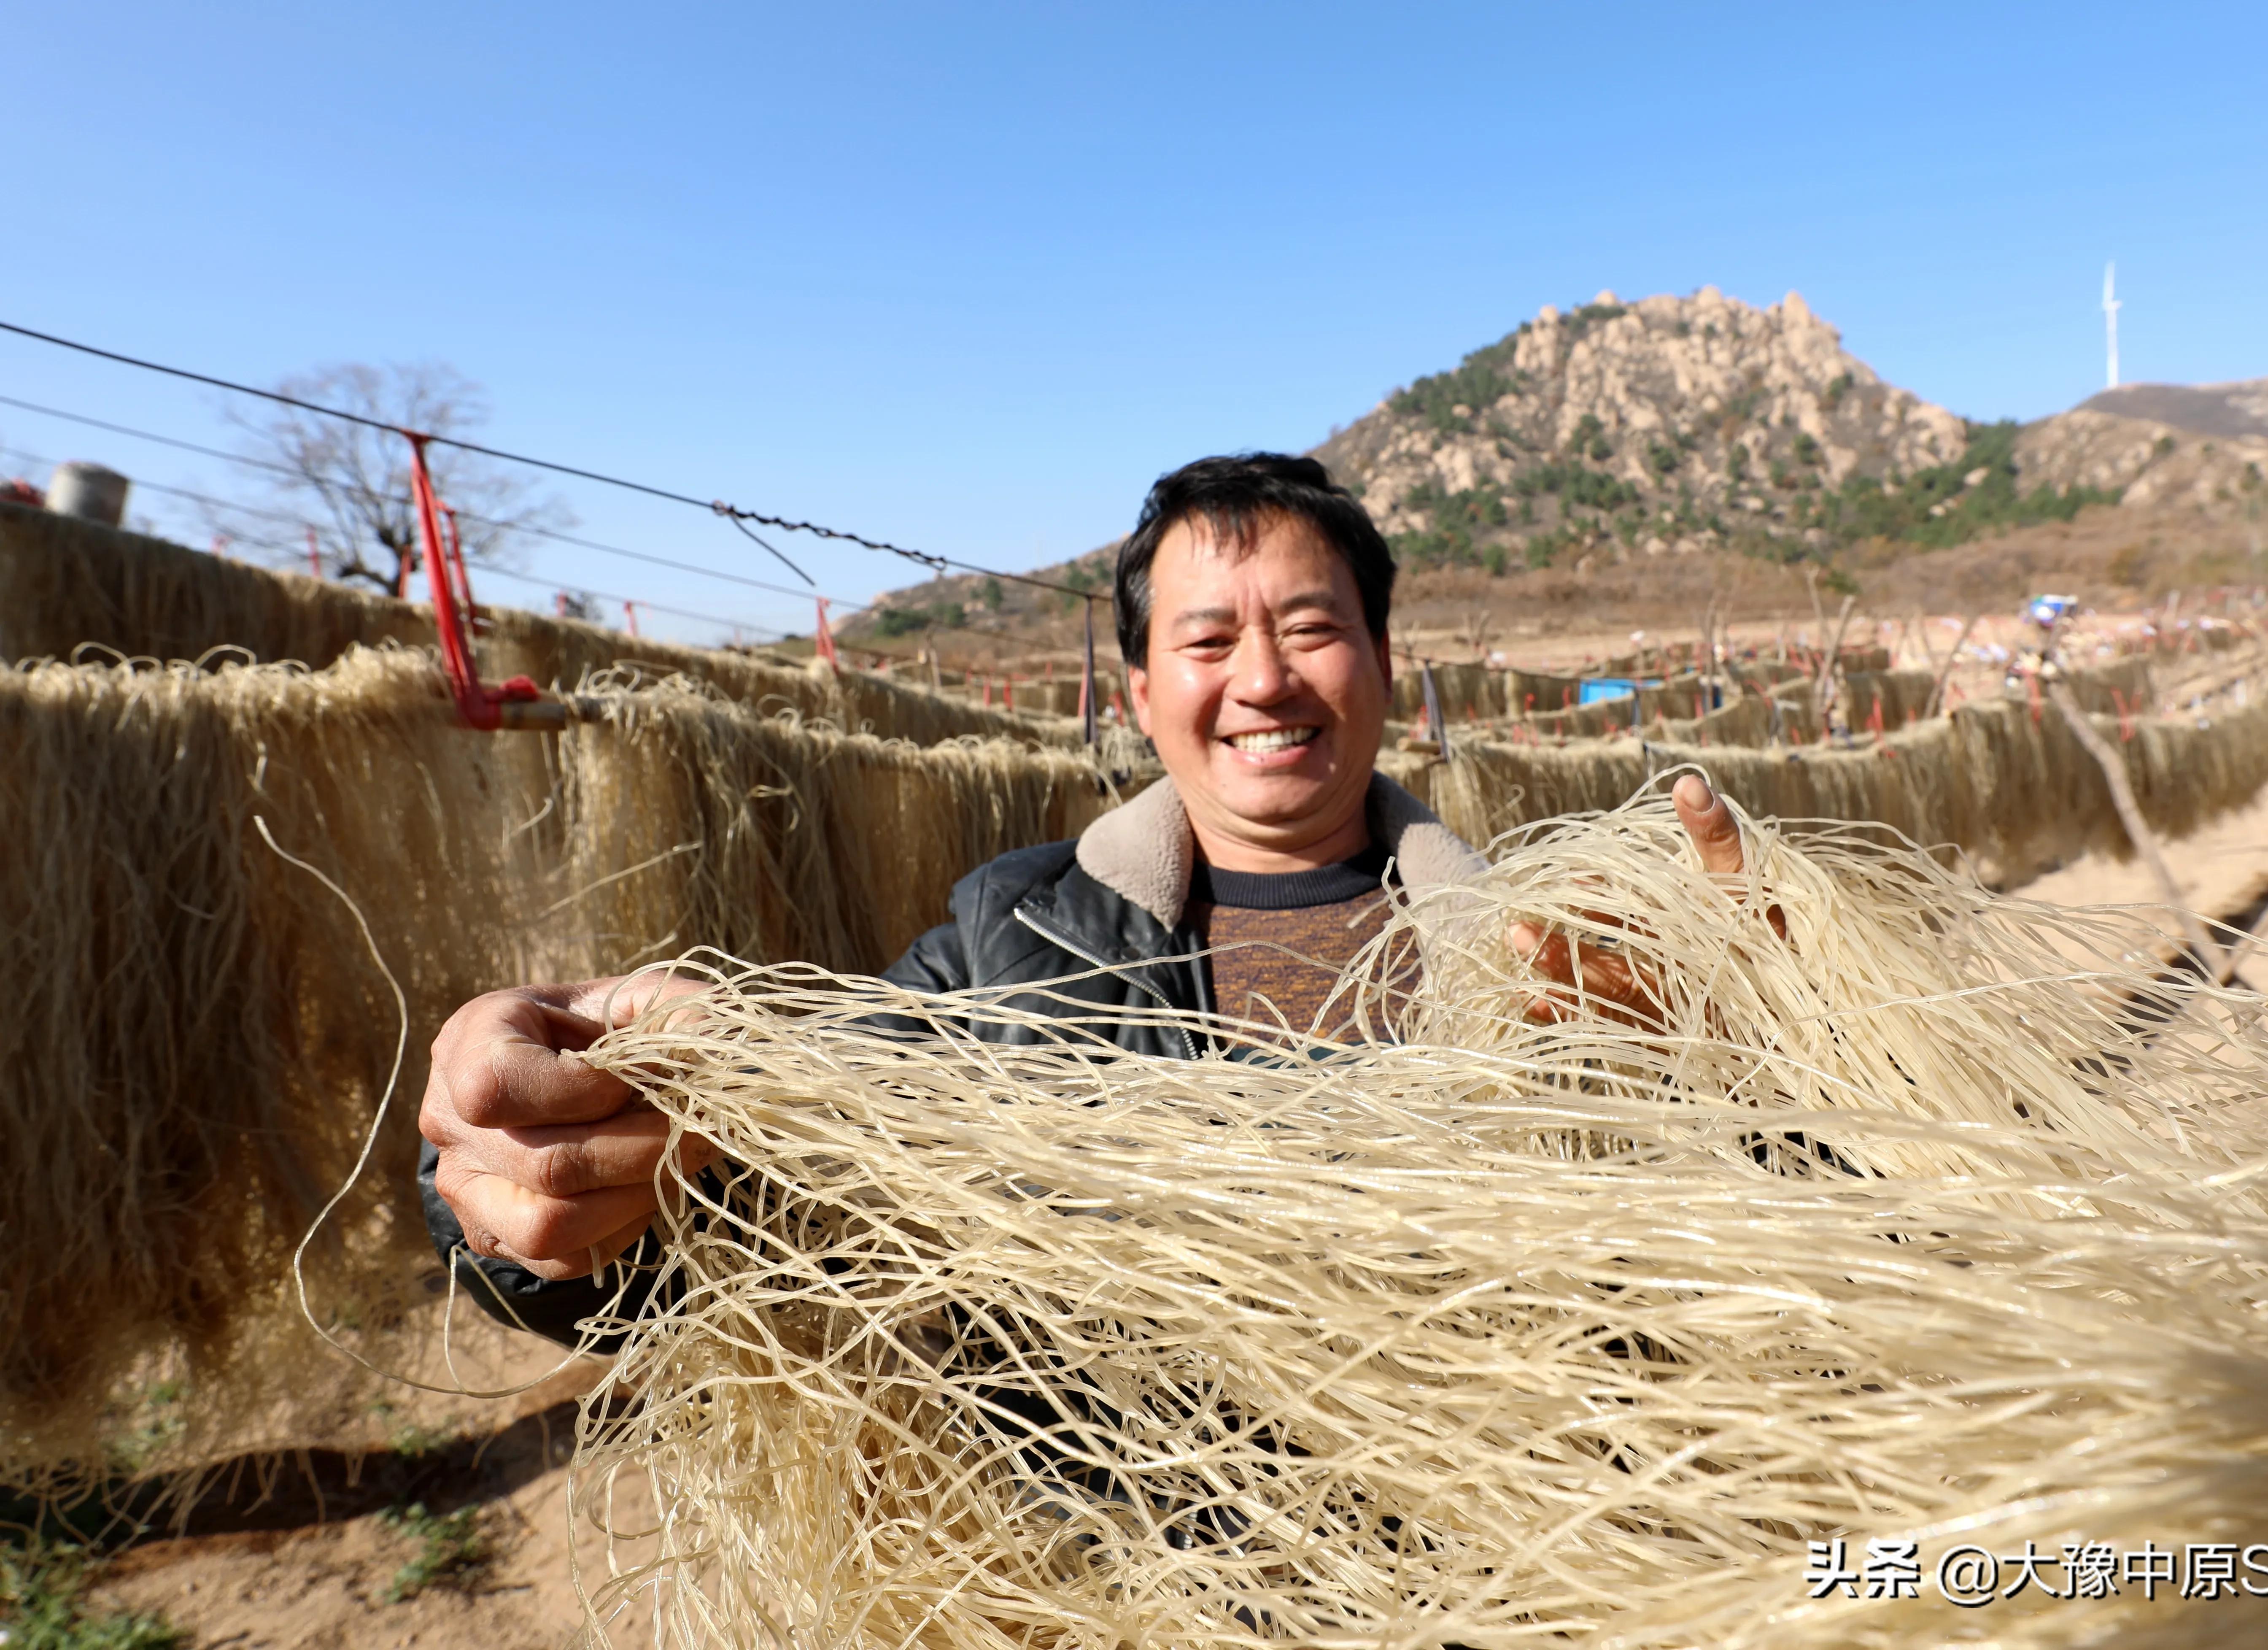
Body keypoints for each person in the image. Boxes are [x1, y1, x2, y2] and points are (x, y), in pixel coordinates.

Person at [417, 452, 1756, 1340]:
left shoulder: (1556, 946)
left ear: (1384, 663)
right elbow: (707, 1247)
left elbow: (1799, 1267)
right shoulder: (1013, 948)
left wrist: (1751, 1048)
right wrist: (541, 1172)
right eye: (1208, 639)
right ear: (1138, 697)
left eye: (1307, 628)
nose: (1266, 680)